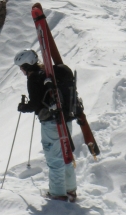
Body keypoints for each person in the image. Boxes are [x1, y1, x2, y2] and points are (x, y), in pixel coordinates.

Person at [14, 48, 78, 202]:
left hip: (50, 123)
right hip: (66, 117)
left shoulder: (34, 78)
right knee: (66, 155)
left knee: (54, 158)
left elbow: (36, 104)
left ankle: (57, 193)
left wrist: (24, 107)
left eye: (22, 67)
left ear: (27, 64)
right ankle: (70, 190)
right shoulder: (49, 73)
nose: (22, 71)